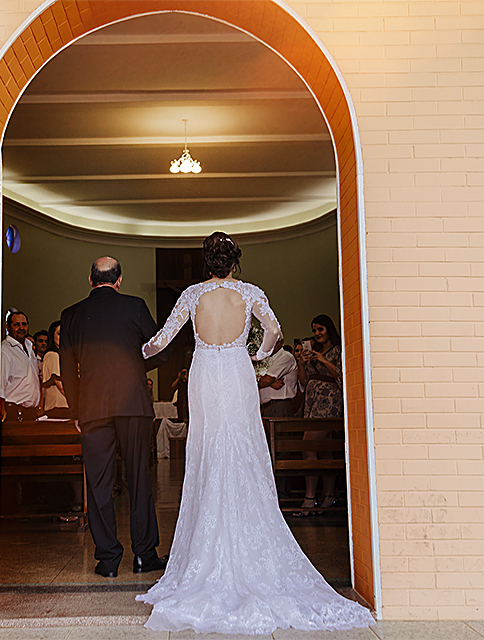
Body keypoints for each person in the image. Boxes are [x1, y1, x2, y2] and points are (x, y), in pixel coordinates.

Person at [136, 232, 372, 635]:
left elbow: (162, 340)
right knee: (242, 447)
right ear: (234, 262)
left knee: (209, 450)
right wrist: (257, 355)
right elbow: (275, 331)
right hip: (237, 372)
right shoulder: (249, 293)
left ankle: (203, 551)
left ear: (206, 262)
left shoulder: (193, 294)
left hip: (206, 374)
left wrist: (138, 352)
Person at [59, 257, 170, 578]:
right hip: (133, 402)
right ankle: (144, 555)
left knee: (98, 484)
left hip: (92, 407)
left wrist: (76, 409)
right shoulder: (135, 307)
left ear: (90, 279)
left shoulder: (71, 315)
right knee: (138, 478)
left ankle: (108, 560)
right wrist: (134, 368)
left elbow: (67, 369)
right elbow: (160, 350)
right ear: (118, 280)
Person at [294, 314, 343, 517]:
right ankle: (328, 495)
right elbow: (304, 382)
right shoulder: (315, 353)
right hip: (313, 404)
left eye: (320, 329)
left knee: (309, 448)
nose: (316, 334)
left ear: (328, 330)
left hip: (328, 403)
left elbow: (341, 374)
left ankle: (309, 497)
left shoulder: (337, 351)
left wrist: (323, 359)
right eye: (314, 330)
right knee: (325, 452)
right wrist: (301, 363)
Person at [0, 309, 40, 422]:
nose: (21, 328)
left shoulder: (30, 346)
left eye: (24, 324)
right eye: (16, 325)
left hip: (31, 412)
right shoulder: (5, 350)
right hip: (14, 412)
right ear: (8, 327)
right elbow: (0, 384)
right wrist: (1, 408)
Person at [258, 336, 298, 417]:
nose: (271, 345)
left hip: (279, 405)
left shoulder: (286, 357)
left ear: (282, 342)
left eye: (274, 341)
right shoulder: (266, 359)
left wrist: (267, 382)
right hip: (267, 406)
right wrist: (270, 384)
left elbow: (267, 380)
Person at [40, 320, 70, 420]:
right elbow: (60, 384)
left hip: (66, 407)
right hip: (58, 408)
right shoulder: (52, 355)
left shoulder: (65, 356)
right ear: (52, 336)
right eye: (59, 334)